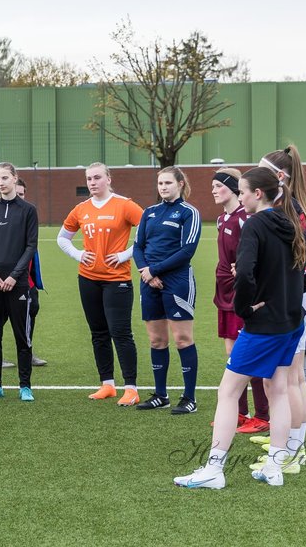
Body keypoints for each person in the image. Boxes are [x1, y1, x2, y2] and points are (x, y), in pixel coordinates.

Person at [174, 167, 306, 489]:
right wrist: (292, 290)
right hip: (290, 322)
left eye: (244, 192)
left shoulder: (256, 224)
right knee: (277, 389)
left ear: (257, 194)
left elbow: (245, 273)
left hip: (265, 324)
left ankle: (214, 469)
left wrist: (245, 308)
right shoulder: (288, 221)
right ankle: (275, 466)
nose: (241, 197)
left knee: (228, 391)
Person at [251, 146, 306, 468]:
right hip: (293, 298)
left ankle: (294, 450)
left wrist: (304, 290)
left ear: (279, 177)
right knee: (285, 379)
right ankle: (289, 442)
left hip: (290, 301)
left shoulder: (287, 212)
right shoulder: (288, 209)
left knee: (292, 378)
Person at [57, 163, 143, 406]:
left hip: (117, 280)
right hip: (88, 279)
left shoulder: (125, 205)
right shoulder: (81, 209)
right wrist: (77, 254)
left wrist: (125, 255)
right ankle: (107, 384)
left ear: (108, 179)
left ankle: (131, 388)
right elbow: (62, 238)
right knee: (98, 333)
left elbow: (149, 233)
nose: (92, 182)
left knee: (121, 333)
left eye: (97, 178)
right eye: (88, 179)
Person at [133, 166, 202, 414]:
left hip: (178, 281)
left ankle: (189, 398)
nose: (163, 187)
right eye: (160, 183)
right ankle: (160, 395)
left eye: (168, 183)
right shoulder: (149, 213)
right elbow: (138, 247)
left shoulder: (189, 213)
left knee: (182, 339)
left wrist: (155, 270)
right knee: (156, 340)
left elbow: (187, 250)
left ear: (180, 184)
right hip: (148, 280)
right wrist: (146, 272)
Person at [210, 168, 269, 433]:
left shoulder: (246, 218)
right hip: (223, 290)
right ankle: (239, 412)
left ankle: (263, 416)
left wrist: (246, 271)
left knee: (249, 354)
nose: (212, 190)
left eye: (217, 185)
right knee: (233, 354)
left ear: (233, 188)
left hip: (241, 291)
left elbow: (255, 256)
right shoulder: (222, 218)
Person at [0, 162, 39, 402]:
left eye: (4, 178)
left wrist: (14, 276)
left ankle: (25, 386)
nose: (1, 183)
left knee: (22, 336)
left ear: (14, 179)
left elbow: (31, 246)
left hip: (18, 284)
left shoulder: (28, 210)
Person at [13, 177, 46, 368]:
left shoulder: (29, 214)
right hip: (7, 279)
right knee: (0, 319)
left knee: (31, 312)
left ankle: (28, 353)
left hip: (29, 281)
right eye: (16, 193)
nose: (19, 197)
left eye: (21, 194)